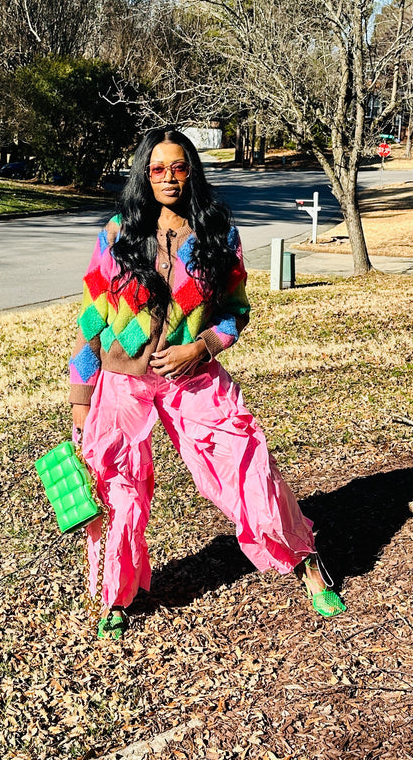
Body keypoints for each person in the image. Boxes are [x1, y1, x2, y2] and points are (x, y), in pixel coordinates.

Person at [69, 125, 345, 639]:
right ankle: (114, 596)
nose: (169, 177)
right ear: (143, 175)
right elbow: (90, 320)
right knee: (117, 490)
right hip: (121, 381)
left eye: (178, 166)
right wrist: (80, 398)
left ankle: (307, 563)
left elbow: (236, 313)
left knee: (249, 467)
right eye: (157, 169)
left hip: (193, 378)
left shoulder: (219, 233)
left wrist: (201, 348)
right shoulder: (116, 234)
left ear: (191, 170)